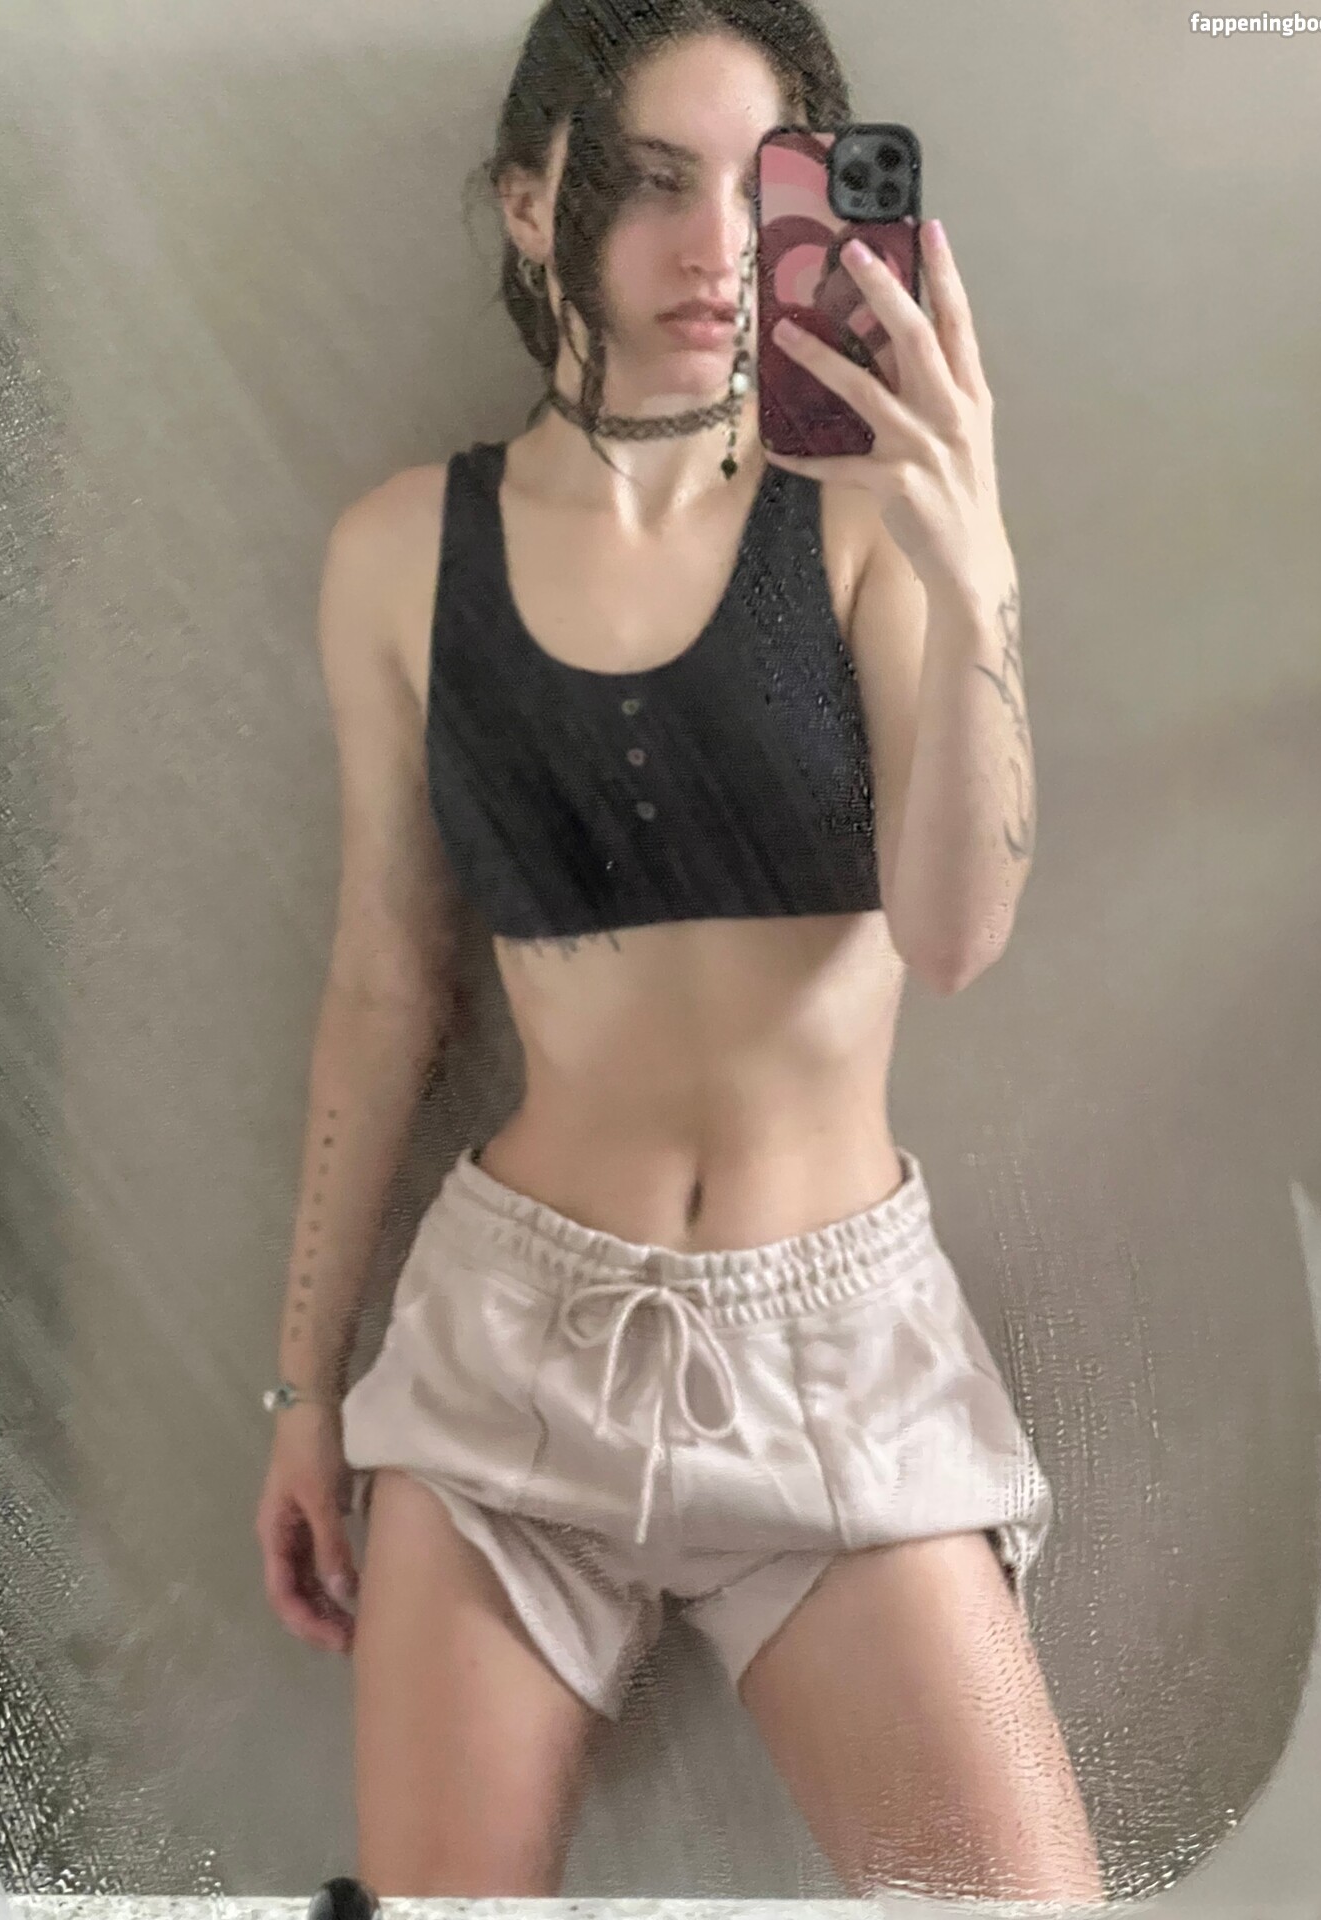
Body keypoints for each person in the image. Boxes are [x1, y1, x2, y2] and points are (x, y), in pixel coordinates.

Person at [255, 0, 1107, 1904]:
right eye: (651, 182)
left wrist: (976, 572)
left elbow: (957, 938)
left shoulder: (862, 517)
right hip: (508, 1355)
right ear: (529, 200)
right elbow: (387, 981)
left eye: (765, 188)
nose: (718, 247)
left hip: (837, 1355)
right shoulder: (403, 552)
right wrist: (303, 1387)